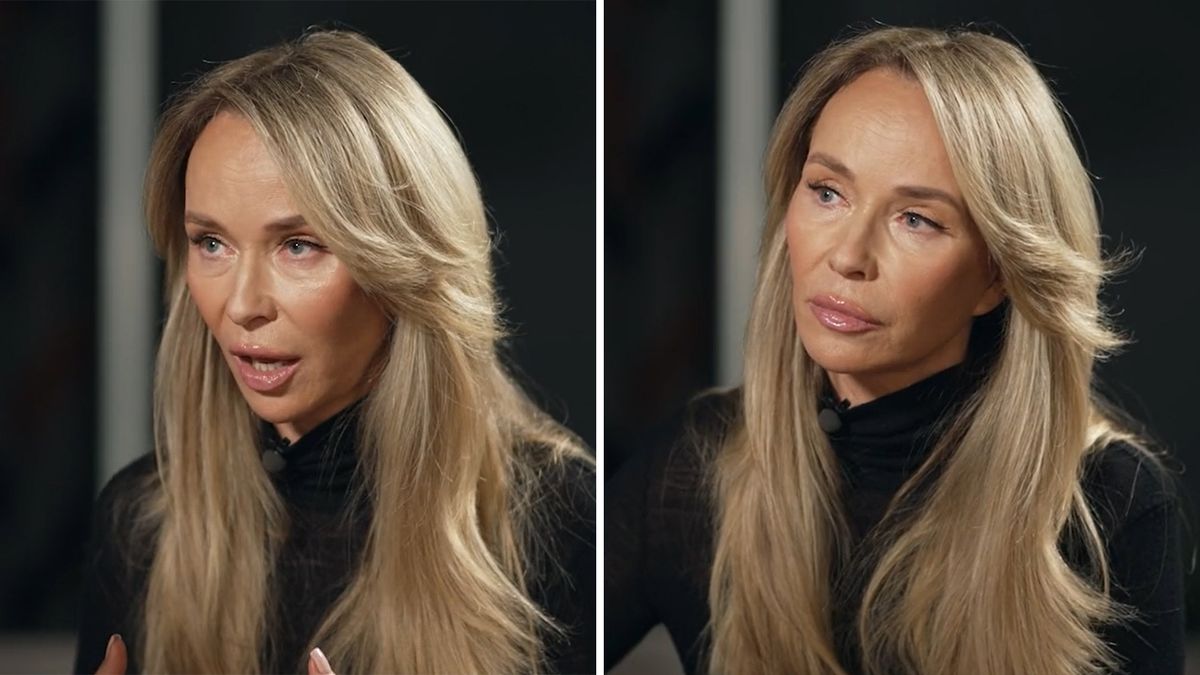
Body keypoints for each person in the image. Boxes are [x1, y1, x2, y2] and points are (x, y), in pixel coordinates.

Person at [606, 26, 1183, 675]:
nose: (848, 255)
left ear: (996, 275)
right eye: (828, 191)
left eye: (916, 219)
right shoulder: (694, 470)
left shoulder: (1108, 504)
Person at [73, 29, 594, 675]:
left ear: (400, 263)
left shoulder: (559, 517)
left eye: (298, 245)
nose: (242, 304)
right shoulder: (141, 521)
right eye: (211, 243)